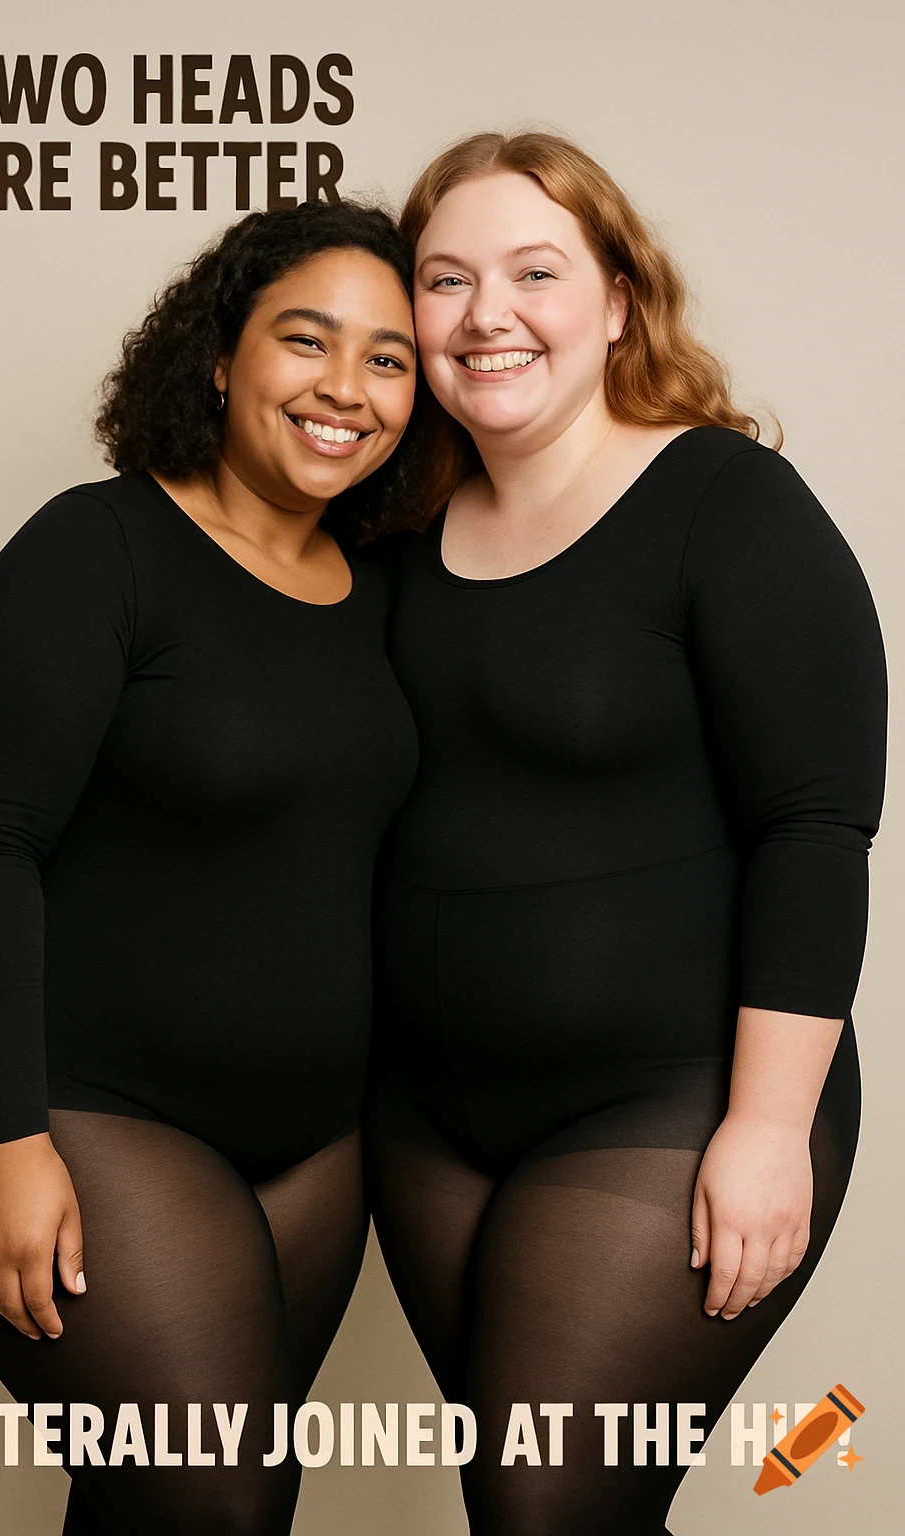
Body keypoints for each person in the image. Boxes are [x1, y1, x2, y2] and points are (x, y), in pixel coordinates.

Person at [365, 131, 887, 1535]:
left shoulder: (727, 504)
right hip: (425, 1118)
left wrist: (770, 1128)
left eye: (535, 272)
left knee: (552, 1509)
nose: (488, 315)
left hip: (669, 1103)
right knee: (518, 1508)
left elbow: (816, 825)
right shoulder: (391, 529)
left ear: (617, 298)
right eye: (445, 278)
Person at [0, 199, 425, 1536]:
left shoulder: (382, 591)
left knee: (153, 1513)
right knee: (218, 1506)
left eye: (388, 359)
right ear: (219, 354)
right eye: (306, 340)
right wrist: (10, 1138)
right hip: (86, 1116)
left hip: (314, 1156)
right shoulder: (99, 551)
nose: (345, 390)